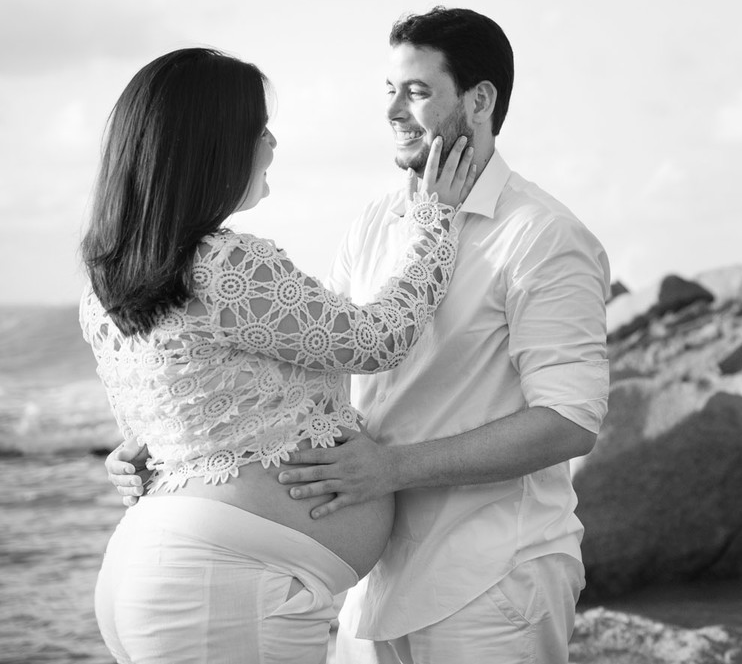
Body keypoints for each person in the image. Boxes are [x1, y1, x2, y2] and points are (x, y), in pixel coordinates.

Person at [110, 8, 611, 663]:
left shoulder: (543, 235)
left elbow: (570, 420)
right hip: (367, 586)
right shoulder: (374, 223)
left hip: (492, 575)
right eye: (388, 90)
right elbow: (312, 372)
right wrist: (171, 440)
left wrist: (392, 468)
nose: (394, 110)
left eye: (417, 90)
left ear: (480, 99)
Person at [82, 47, 476, 664]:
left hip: (158, 567)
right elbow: (380, 339)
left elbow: (148, 439)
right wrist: (435, 217)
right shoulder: (228, 264)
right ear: (211, 146)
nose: (270, 143)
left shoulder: (105, 289)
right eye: (256, 128)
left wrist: (126, 463)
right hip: (221, 581)